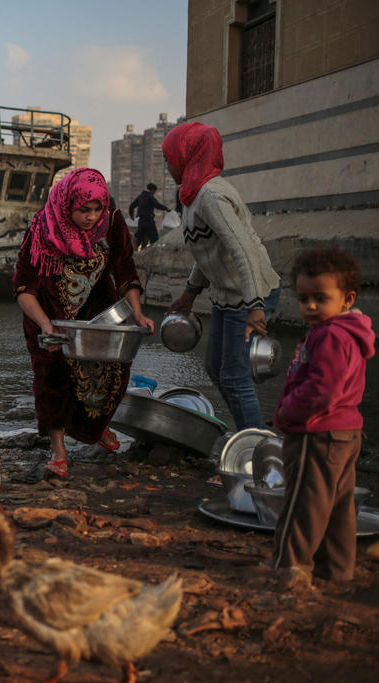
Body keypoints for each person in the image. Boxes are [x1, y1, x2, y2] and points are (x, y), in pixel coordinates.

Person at [13, 168, 155, 478]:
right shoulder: (42, 229)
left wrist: (139, 313)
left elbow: (125, 270)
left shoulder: (112, 221)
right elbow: (23, 288)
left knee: (112, 369)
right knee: (53, 378)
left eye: (96, 210)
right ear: (67, 206)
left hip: (97, 307)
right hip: (47, 312)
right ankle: (59, 451)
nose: (91, 217)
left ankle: (94, 428)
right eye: (83, 210)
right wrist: (45, 325)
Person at [162, 121, 282, 431]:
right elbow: (207, 252)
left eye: (170, 157)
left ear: (187, 157)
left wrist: (256, 306)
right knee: (215, 368)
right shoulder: (192, 196)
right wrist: (190, 292)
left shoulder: (211, 196)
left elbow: (241, 250)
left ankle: (253, 450)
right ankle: (246, 433)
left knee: (235, 375)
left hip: (250, 293)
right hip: (227, 296)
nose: (168, 164)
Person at [269, 248, 374, 585]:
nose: (310, 306)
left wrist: (287, 410)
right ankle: (337, 570)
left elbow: (322, 391)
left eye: (320, 298)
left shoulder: (329, 335)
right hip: (346, 433)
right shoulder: (349, 333)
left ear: (347, 298)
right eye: (303, 298)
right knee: (339, 507)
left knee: (304, 504)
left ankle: (289, 568)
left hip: (317, 435)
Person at [128, 182, 170, 249]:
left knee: (138, 240)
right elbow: (157, 205)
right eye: (154, 191)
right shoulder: (150, 196)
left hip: (141, 221)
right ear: (152, 189)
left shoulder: (140, 196)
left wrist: (132, 216)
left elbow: (131, 206)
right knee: (155, 239)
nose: (154, 193)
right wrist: (166, 209)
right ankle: (154, 254)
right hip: (149, 221)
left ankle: (134, 252)